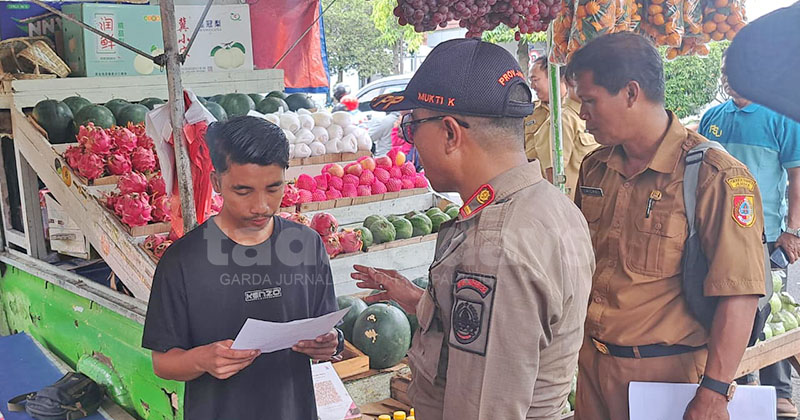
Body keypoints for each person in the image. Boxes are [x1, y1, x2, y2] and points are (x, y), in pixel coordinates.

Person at [356, 38, 595, 419]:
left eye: (413, 125)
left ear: (450, 133)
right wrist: (424, 303)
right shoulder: (551, 206)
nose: (409, 138)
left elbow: (483, 409)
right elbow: (509, 332)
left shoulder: (495, 247)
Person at [568, 32, 766, 420]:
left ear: (630, 93)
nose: (582, 114)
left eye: (590, 101)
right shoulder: (595, 168)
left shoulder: (713, 176)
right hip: (591, 368)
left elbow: (740, 292)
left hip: (669, 380)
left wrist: (714, 390)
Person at [141, 116, 343, 420]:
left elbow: (326, 330)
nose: (261, 205)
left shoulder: (307, 246)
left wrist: (330, 343)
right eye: (243, 191)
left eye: (273, 188)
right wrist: (202, 360)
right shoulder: (182, 260)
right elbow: (163, 363)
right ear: (216, 183)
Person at [699, 57, 800, 419]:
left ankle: (781, 395)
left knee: (767, 312)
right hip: (717, 238)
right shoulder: (712, 118)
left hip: (766, 238)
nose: (730, 81)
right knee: (725, 315)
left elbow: (796, 179)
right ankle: (737, 389)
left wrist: (793, 230)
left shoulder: (781, 117)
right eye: (726, 74)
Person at [525, 55, 598, 198]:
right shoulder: (563, 118)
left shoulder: (582, 115)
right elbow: (553, 172)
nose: (532, 86)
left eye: (535, 80)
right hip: (566, 202)